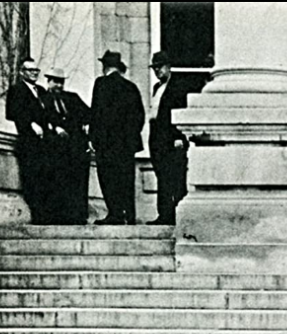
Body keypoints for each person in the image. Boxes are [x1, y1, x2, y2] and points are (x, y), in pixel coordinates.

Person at [90, 50, 145, 225]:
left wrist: (93, 138)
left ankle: (114, 214)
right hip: (127, 144)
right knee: (126, 178)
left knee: (108, 178)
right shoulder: (131, 87)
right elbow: (139, 116)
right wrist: (130, 137)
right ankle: (129, 214)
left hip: (106, 143)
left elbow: (96, 114)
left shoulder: (101, 84)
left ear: (104, 67)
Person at [42, 67, 91, 225]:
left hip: (75, 147)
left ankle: (78, 215)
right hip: (56, 148)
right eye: (55, 81)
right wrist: (54, 126)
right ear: (48, 81)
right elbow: (40, 116)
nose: (58, 85)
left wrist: (86, 127)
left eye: (61, 82)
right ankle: (59, 216)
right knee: (58, 181)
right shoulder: (43, 99)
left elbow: (88, 114)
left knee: (77, 182)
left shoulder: (72, 98)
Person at [5, 59, 52, 224]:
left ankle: (47, 213)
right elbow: (13, 112)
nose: (33, 73)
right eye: (30, 70)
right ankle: (38, 214)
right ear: (22, 72)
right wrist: (30, 123)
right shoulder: (16, 90)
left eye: (36, 70)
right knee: (32, 177)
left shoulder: (42, 91)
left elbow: (50, 112)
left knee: (46, 176)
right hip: (29, 141)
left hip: (46, 141)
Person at [148, 51, 189, 225]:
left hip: (173, 140)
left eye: (160, 67)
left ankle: (179, 215)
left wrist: (180, 136)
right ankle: (164, 214)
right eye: (155, 68)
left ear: (169, 67)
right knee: (162, 178)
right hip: (157, 139)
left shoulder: (179, 86)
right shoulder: (157, 88)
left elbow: (182, 112)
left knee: (176, 178)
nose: (157, 71)